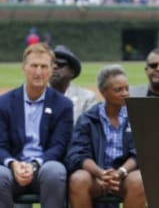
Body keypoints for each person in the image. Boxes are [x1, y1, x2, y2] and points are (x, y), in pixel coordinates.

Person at [0, 43, 73, 207]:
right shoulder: (4, 103)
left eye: (44, 66)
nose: (38, 72)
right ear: (24, 67)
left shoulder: (63, 105)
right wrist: (13, 164)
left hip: (44, 166)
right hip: (13, 167)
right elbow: (1, 145)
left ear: (51, 69)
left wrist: (34, 165)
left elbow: (59, 146)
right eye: (34, 66)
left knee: (55, 171)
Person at [66, 64, 145, 208]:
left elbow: (140, 151)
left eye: (127, 88)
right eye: (118, 90)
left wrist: (120, 172)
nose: (125, 93)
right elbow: (78, 154)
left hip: (125, 176)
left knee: (139, 180)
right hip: (96, 177)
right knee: (78, 179)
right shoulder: (88, 119)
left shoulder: (136, 117)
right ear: (103, 92)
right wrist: (101, 173)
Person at [50, 45, 97, 123]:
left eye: (60, 64)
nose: (54, 67)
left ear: (72, 72)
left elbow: (88, 130)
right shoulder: (37, 96)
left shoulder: (87, 98)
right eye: (51, 64)